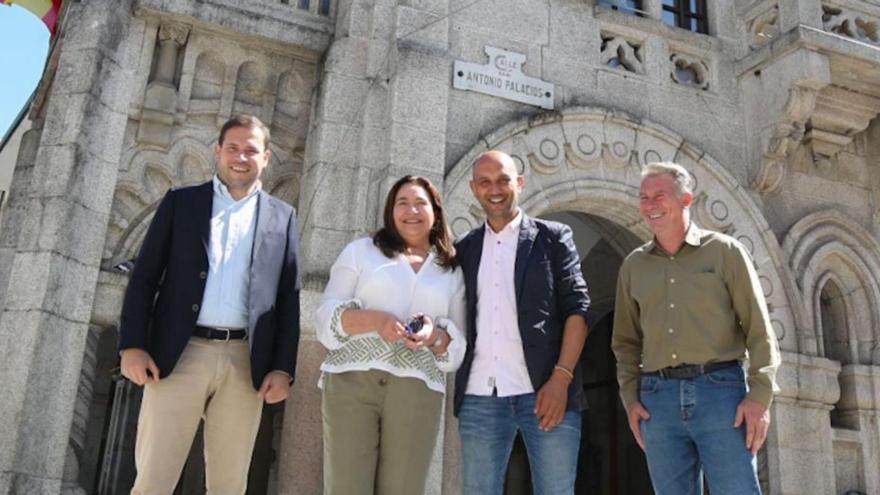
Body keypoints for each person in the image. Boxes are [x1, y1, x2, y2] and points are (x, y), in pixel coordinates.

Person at [118, 115, 301, 494]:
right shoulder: (181, 203)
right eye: (232, 148)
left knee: (229, 485)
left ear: (265, 158)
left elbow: (288, 298)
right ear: (217, 152)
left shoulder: (283, 217)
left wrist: (283, 367)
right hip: (178, 355)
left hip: (244, 362)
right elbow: (145, 277)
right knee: (153, 478)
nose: (240, 157)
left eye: (251, 150)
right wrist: (132, 345)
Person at [611, 161, 781, 494]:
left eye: (659, 195)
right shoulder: (633, 266)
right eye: (644, 197)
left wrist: (760, 396)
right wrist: (631, 398)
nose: (650, 205)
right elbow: (625, 342)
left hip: (721, 393)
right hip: (657, 401)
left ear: (686, 200)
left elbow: (760, 330)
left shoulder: (725, 252)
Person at [314, 175, 466, 495]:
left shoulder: (451, 271)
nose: (411, 210)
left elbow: (458, 347)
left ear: (436, 212)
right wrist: (377, 320)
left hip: (418, 390)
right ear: (390, 211)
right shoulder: (360, 252)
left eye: (420, 203)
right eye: (402, 203)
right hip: (351, 382)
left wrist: (433, 335)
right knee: (346, 488)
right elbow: (325, 318)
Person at [453, 150, 591, 495]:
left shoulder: (554, 237)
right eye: (485, 182)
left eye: (503, 180)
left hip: (546, 391)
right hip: (479, 396)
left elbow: (578, 309)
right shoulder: (464, 249)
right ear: (473, 188)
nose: (495, 189)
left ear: (520, 182)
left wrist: (561, 378)